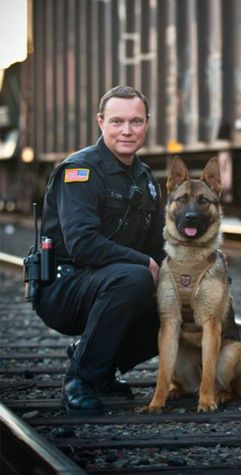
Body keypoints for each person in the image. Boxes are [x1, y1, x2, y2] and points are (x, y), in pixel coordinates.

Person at [36, 86, 165, 416]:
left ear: (147, 123)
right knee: (135, 277)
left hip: (113, 282)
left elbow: (157, 248)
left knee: (182, 298)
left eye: (136, 121)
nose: (127, 130)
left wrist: (198, 269)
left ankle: (100, 365)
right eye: (117, 121)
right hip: (65, 287)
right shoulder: (80, 171)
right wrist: (143, 263)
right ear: (100, 122)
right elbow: (81, 244)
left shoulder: (146, 178)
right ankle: (80, 381)